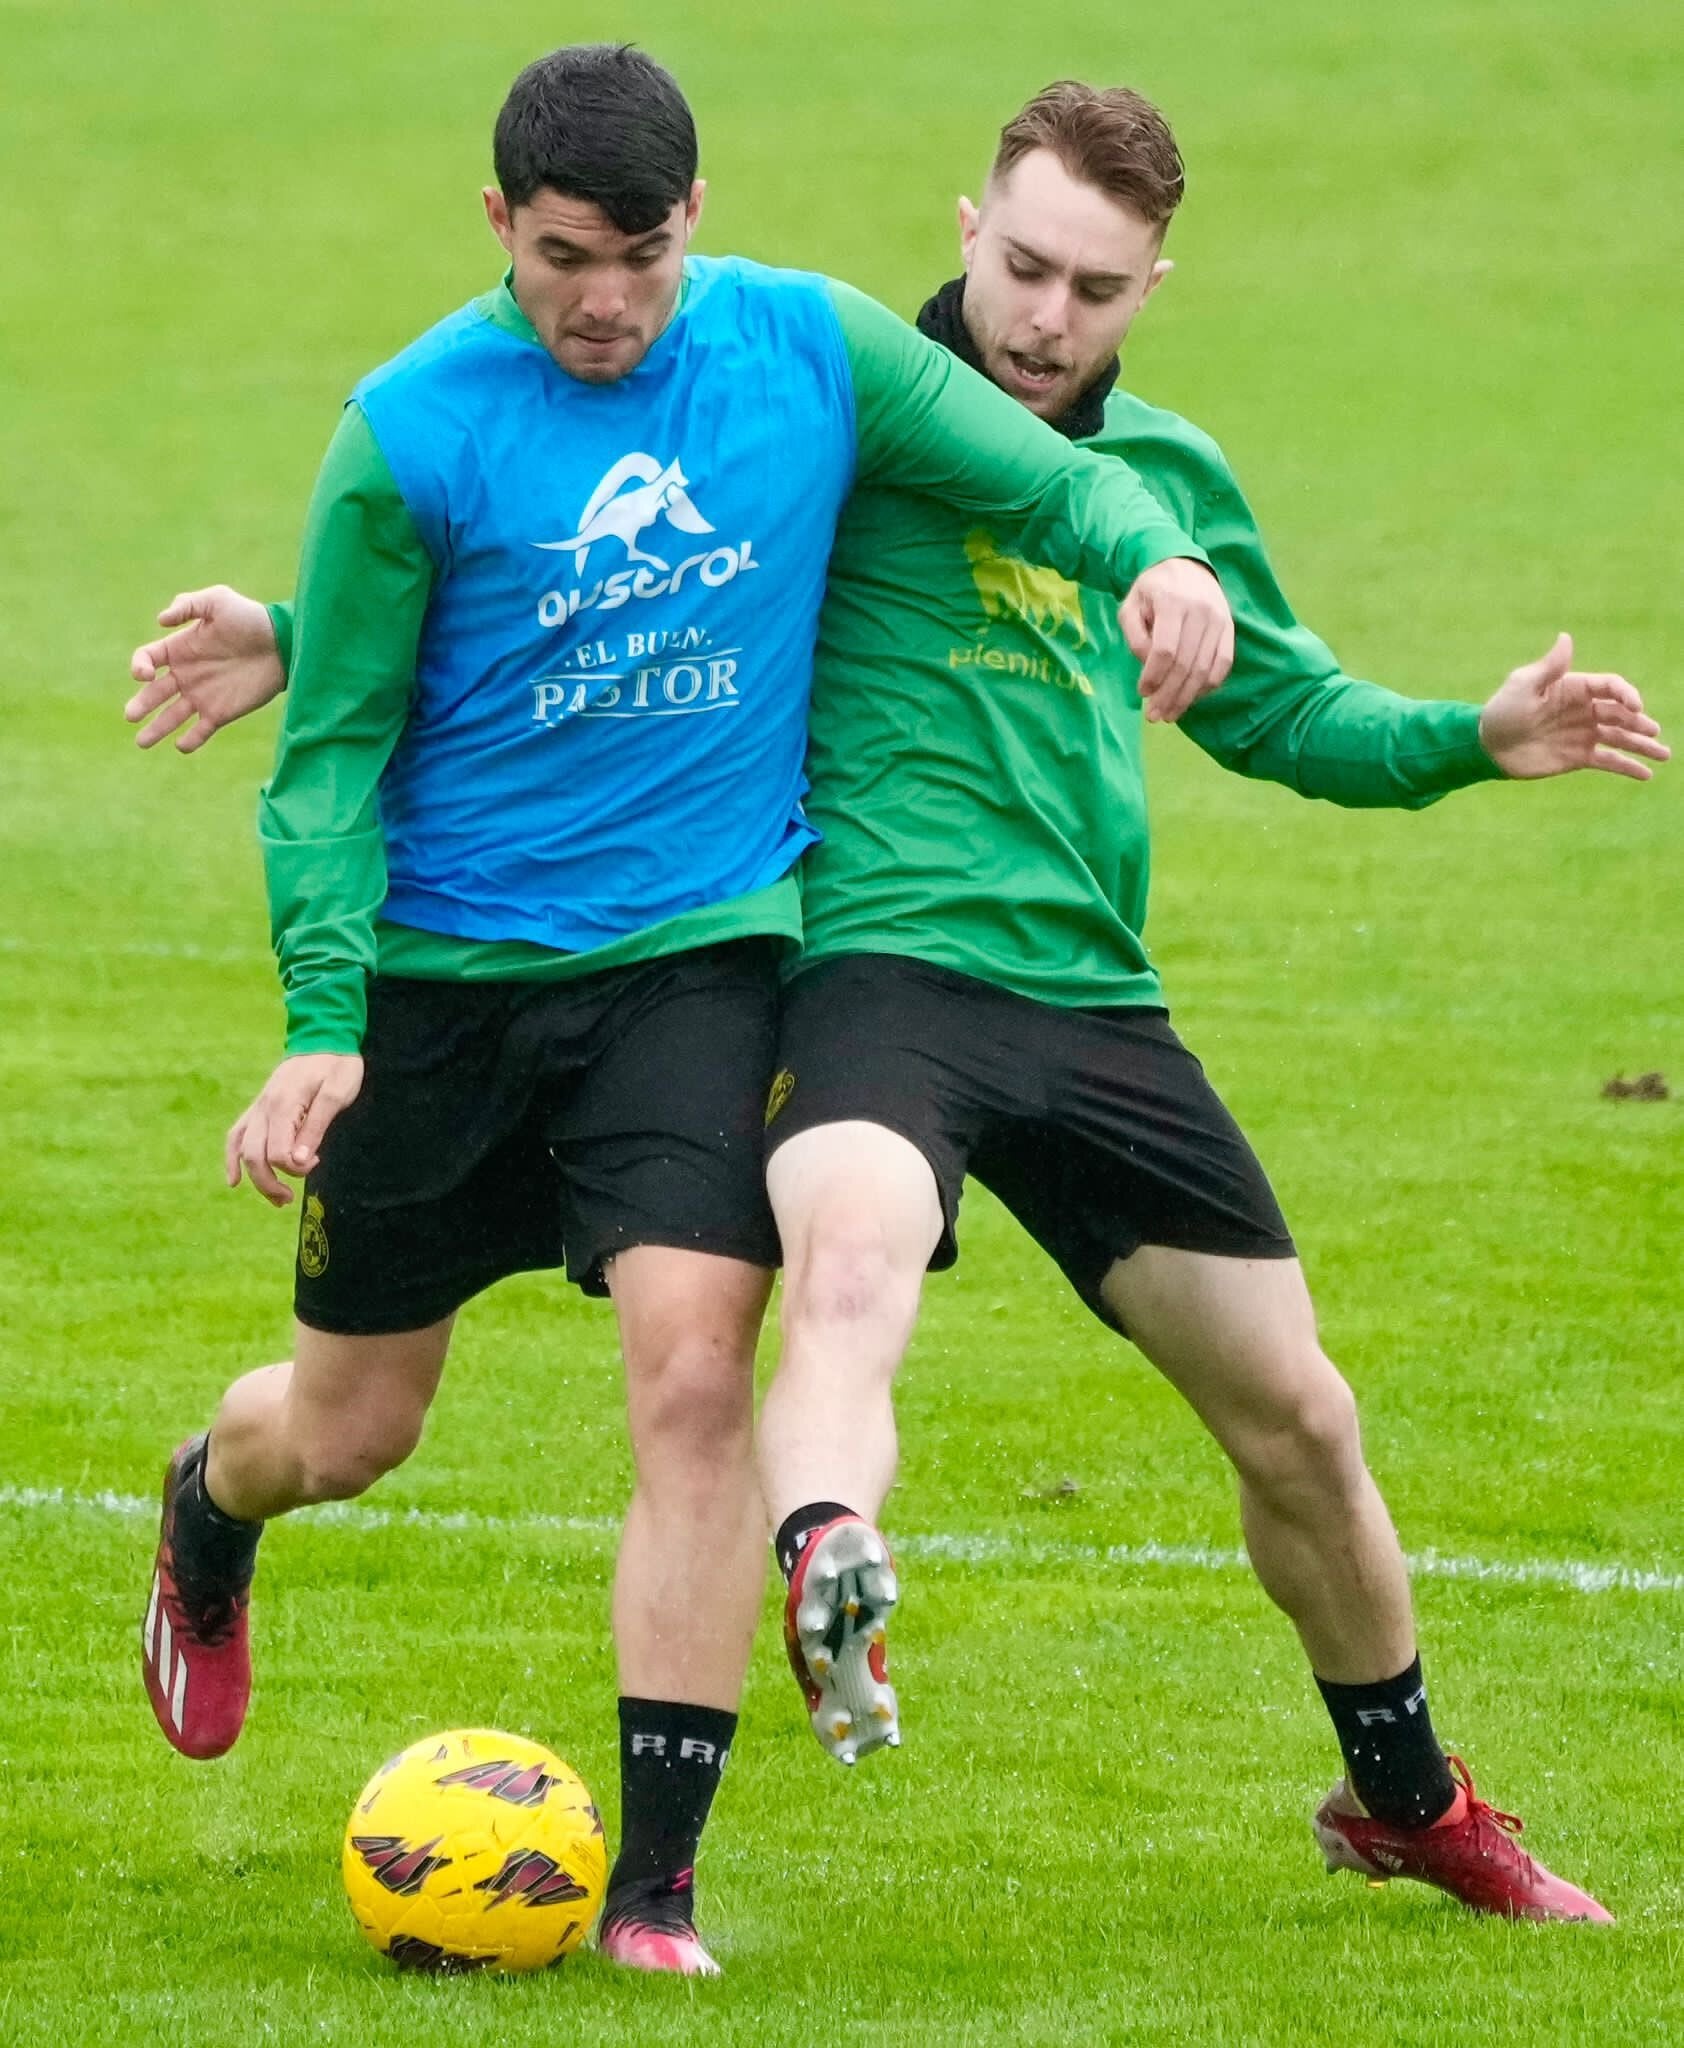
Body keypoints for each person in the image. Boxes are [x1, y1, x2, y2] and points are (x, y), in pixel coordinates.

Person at [130, 76, 1664, 1929]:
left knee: (1274, 1420)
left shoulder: (1080, 457)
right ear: (966, 232)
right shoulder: (833, 407)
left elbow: (1268, 692)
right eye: (1023, 267)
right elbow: (558, 567)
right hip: (804, 977)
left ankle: (1383, 1801)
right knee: (631, 1334)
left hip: (996, 993)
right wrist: (305, 640)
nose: (1045, 318)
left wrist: (1466, 739)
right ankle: (744, 1540)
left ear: (1153, 289)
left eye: (1095, 290)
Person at [128, 45, 1233, 1980]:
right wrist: (323, 1019)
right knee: (350, 1426)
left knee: (697, 1378)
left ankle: (653, 1887)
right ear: (499, 230)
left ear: (695, 222)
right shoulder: (408, 429)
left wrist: (1159, 555)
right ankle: (211, 1506)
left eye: (640, 255)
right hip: (446, 993)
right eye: (565, 258)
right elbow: (335, 755)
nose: (606, 302)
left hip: (698, 968)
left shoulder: (804, 351)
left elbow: (1047, 476)